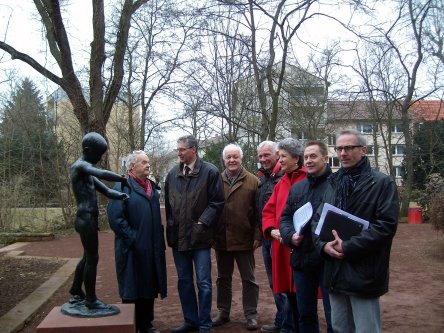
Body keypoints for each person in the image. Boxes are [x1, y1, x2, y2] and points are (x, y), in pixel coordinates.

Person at [312, 129, 399, 333]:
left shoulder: (381, 183)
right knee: (340, 328)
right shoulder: (332, 182)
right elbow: (317, 220)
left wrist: (348, 247)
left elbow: (385, 226)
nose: (343, 153)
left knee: (366, 329)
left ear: (364, 150)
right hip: (334, 269)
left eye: (349, 148)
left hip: (363, 271)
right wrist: (324, 246)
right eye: (339, 148)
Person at [165, 135, 225, 333]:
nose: (179, 153)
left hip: (200, 237)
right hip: (178, 237)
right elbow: (169, 206)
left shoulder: (210, 172)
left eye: (182, 149)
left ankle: (204, 323)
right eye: (177, 149)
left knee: (204, 282)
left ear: (193, 150)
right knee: (184, 281)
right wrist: (172, 225)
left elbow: (217, 203)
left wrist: (202, 223)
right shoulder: (172, 174)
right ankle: (190, 321)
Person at [107, 150, 167, 333]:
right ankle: (131, 324)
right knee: (132, 286)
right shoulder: (121, 188)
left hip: (152, 246)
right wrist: (133, 238)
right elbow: (116, 219)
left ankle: (146, 324)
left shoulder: (152, 188)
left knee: (149, 285)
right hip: (131, 249)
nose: (148, 165)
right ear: (132, 166)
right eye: (143, 162)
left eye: (148, 162)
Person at [69, 132, 129, 311]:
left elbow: (108, 192)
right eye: (98, 154)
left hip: (89, 218)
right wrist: (121, 177)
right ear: (87, 150)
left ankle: (75, 289)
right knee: (93, 258)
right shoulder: (80, 166)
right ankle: (91, 299)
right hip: (85, 218)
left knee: (87, 256)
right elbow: (102, 173)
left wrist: (121, 195)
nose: (100, 158)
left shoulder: (87, 173)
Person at [280, 141, 333, 333]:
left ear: (325, 159)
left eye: (313, 156)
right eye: (307, 157)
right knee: (305, 314)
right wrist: (289, 236)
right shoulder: (298, 188)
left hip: (328, 259)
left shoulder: (336, 185)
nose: (308, 161)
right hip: (301, 259)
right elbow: (285, 217)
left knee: (332, 314)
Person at [212, 143, 261, 331]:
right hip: (221, 239)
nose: (232, 160)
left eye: (235, 157)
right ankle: (223, 312)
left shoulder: (253, 181)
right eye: (228, 157)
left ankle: (251, 314)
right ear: (224, 160)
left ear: (241, 158)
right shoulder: (215, 180)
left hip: (245, 238)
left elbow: (259, 212)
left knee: (249, 279)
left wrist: (257, 235)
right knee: (223, 278)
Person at [262, 138, 306, 333]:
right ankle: (288, 326)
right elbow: (268, 210)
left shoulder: (307, 180)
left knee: (301, 293)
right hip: (280, 244)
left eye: (283, 157)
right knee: (286, 291)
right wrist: (272, 230)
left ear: (296, 158)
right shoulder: (281, 183)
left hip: (300, 245)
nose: (280, 161)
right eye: (279, 156)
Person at [255, 141, 286, 333]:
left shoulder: (283, 177)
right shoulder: (264, 178)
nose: (263, 159)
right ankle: (282, 319)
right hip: (268, 238)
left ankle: (289, 322)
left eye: (267, 155)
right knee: (274, 281)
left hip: (282, 239)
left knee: (284, 282)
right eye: (260, 156)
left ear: (277, 155)